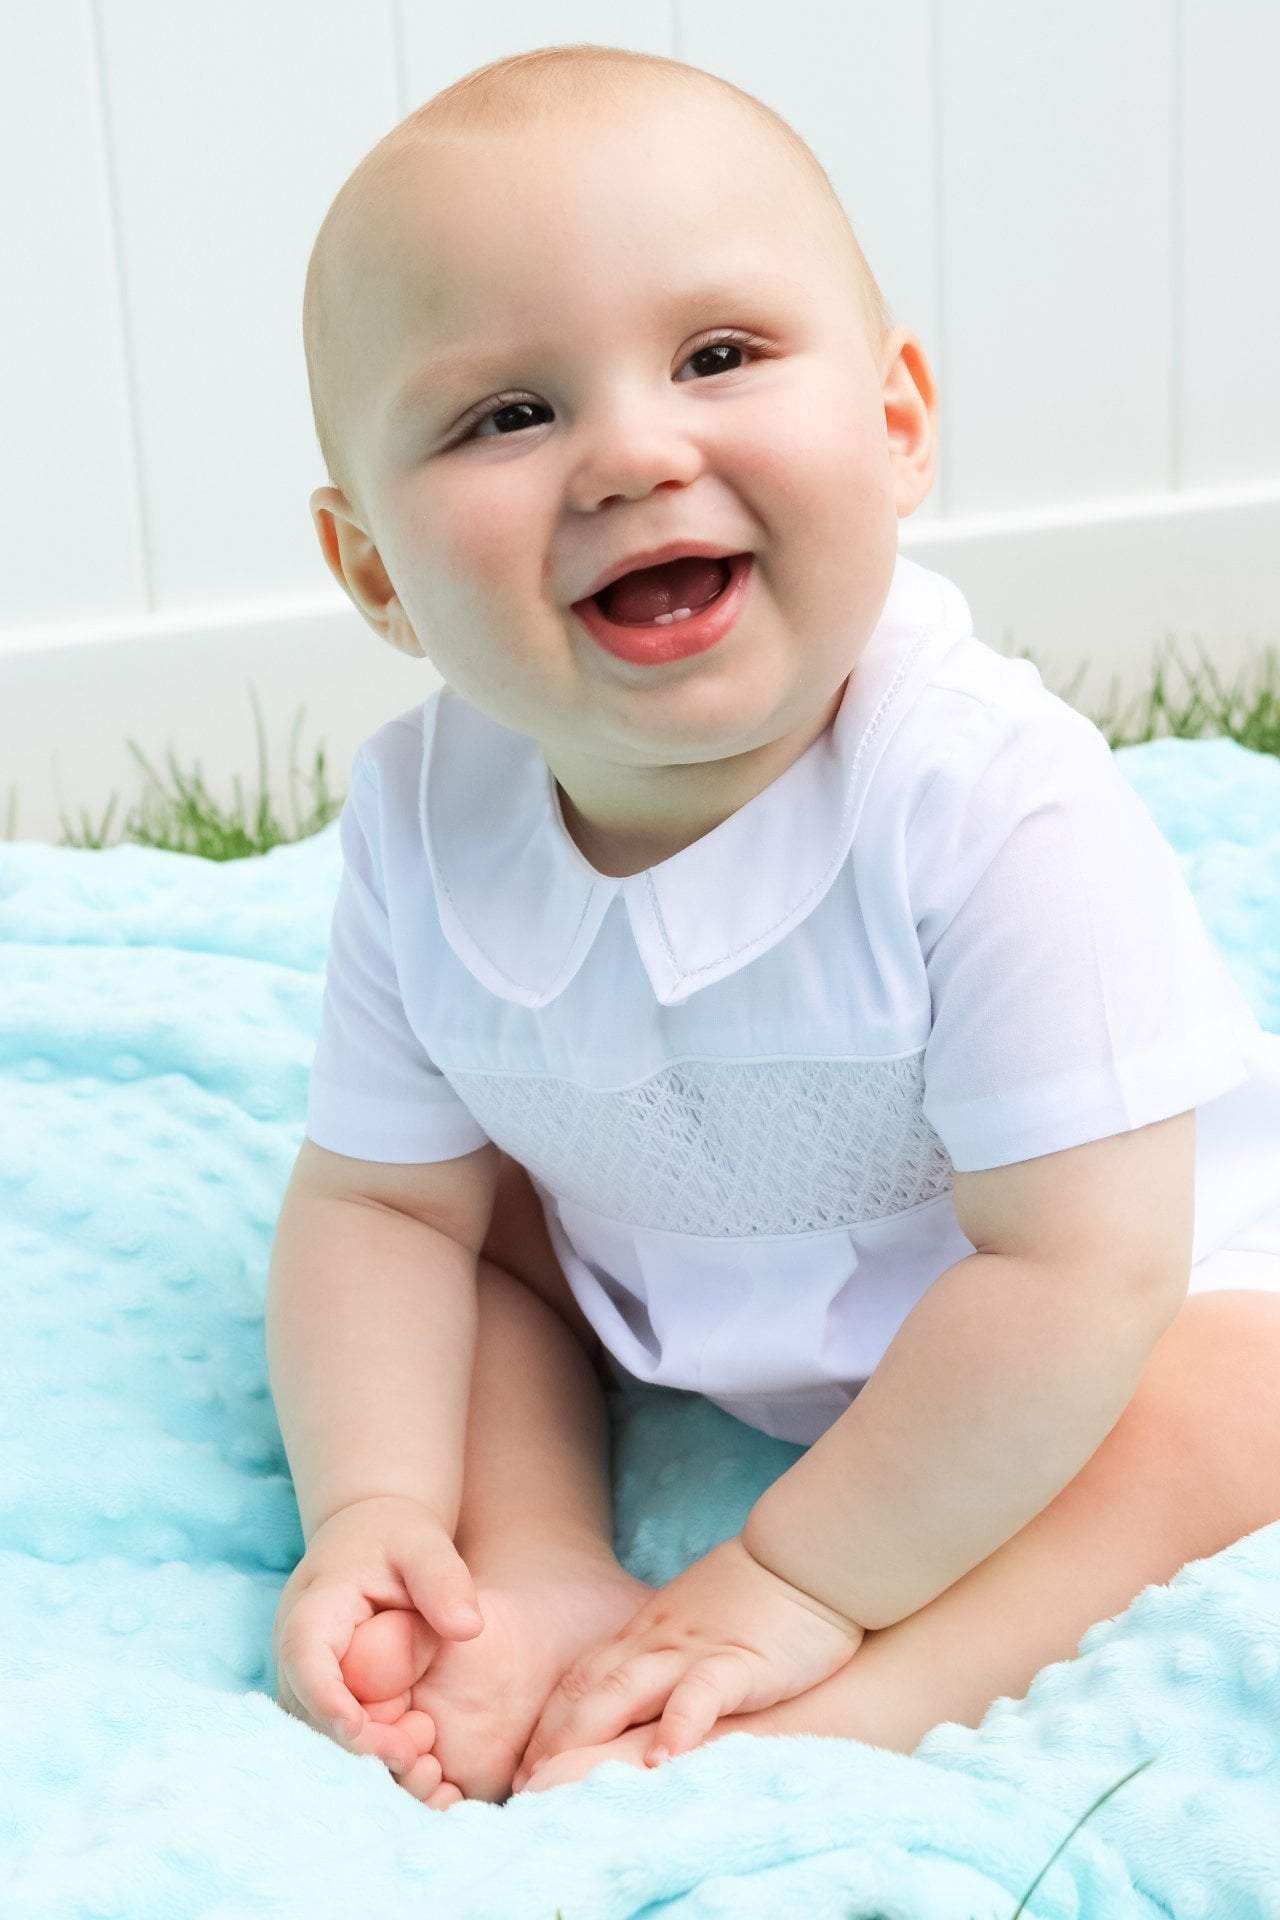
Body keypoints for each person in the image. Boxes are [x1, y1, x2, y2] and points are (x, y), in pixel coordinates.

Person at [267, 43, 1280, 1809]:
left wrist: (795, 1580)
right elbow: (378, 1207)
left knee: (1238, 1393)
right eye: (508, 416)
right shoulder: (425, 819)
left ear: (896, 425)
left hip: (1089, 1304)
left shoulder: (984, 798)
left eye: (719, 356)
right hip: (684, 1270)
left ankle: (870, 1703)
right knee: (471, 1236)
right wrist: (375, 1498)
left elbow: (1078, 1271)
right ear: (373, 574)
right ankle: (535, 1565)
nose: (632, 454)